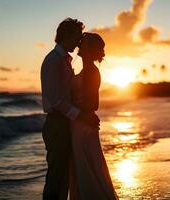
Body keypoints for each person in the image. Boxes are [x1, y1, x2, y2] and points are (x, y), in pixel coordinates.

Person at [40, 18, 98, 200]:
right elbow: (56, 100)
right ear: (67, 35)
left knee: (64, 174)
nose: (79, 41)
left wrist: (84, 115)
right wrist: (82, 116)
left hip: (66, 123)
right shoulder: (53, 61)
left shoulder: (64, 60)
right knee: (57, 174)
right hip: (57, 124)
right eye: (77, 37)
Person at [69, 32, 118, 200]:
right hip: (80, 123)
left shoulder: (91, 71)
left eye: (83, 43)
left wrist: (74, 111)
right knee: (85, 167)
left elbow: (93, 104)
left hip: (83, 125)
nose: (78, 44)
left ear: (89, 49)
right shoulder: (85, 69)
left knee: (87, 167)